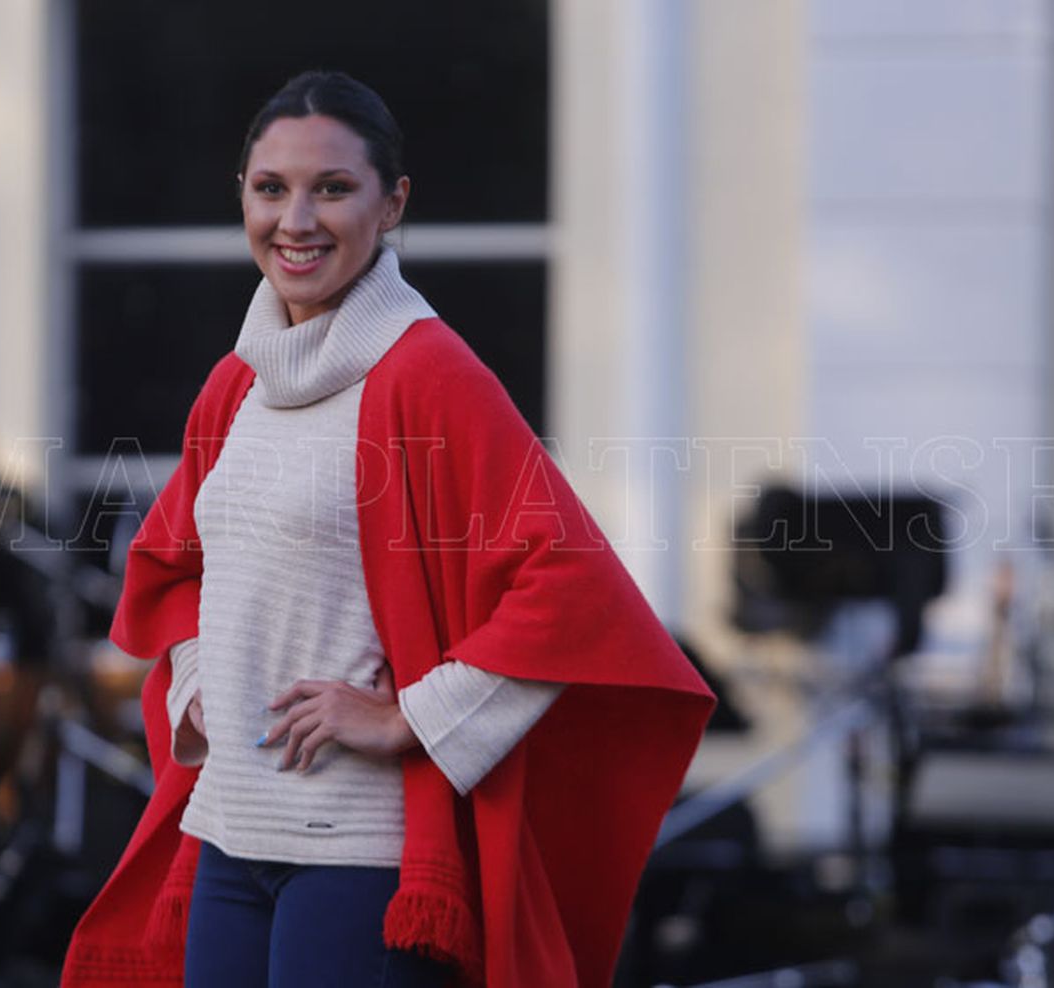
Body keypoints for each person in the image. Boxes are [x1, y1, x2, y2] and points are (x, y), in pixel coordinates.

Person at [62, 70, 715, 988]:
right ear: (241, 198)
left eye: (333, 188)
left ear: (392, 203)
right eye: (270, 188)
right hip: (227, 831)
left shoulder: (426, 375)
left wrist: (410, 716)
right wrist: (199, 683)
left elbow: (572, 588)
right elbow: (179, 569)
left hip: (360, 853)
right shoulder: (235, 384)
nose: (297, 220)